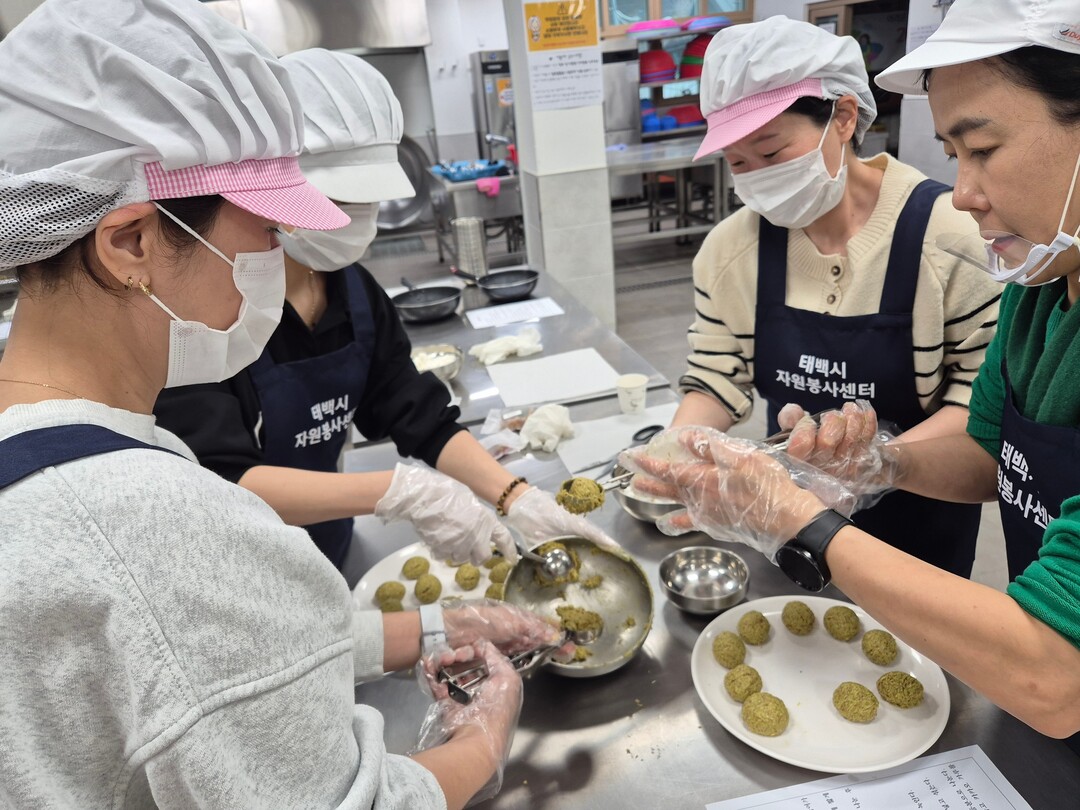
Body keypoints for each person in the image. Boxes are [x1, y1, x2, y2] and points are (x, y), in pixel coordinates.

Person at [0, 1, 558, 806]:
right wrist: (483, 738)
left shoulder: (70, 461)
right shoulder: (159, 525)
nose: (278, 257)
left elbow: (195, 669)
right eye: (265, 231)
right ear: (130, 242)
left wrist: (435, 627)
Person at [627, 0, 1080, 746]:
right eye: (954, 155)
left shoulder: (972, 244)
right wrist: (877, 461)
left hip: (952, 581)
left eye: (983, 148)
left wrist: (800, 517)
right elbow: (992, 450)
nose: (966, 194)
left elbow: (1055, 672)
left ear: (843, 119)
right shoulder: (1039, 289)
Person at [153, 47, 613, 579]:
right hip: (246, 571)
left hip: (330, 545)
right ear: (275, 192)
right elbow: (220, 478)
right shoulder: (204, 309)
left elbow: (415, 411)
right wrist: (400, 492)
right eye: (339, 200)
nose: (356, 219)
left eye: (367, 202)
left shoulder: (355, 291)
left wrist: (515, 495)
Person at [669, 16, 1002, 577]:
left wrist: (873, 464)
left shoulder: (952, 238)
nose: (756, 177)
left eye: (772, 152)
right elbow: (716, 375)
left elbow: (978, 405)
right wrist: (675, 449)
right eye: (738, 163)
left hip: (919, 525)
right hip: (787, 519)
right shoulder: (730, 251)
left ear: (843, 117)